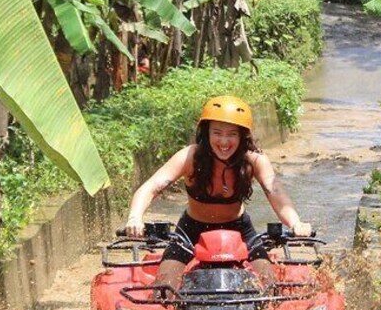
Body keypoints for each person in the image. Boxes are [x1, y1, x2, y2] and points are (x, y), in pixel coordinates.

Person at [125, 95, 312, 291]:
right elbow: (151, 187)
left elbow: (274, 190)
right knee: (165, 286)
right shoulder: (190, 157)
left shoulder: (254, 160)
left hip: (240, 231)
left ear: (242, 136)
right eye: (217, 133)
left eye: (232, 134)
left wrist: (296, 223)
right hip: (191, 232)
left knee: (269, 283)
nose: (224, 141)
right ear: (206, 133)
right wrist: (134, 218)